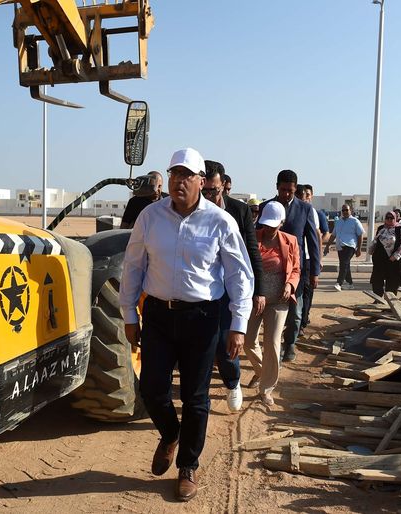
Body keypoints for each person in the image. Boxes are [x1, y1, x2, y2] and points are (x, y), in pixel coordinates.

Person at [119, 148, 254, 501]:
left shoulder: (220, 221)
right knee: (151, 388)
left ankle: (188, 467)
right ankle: (170, 434)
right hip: (159, 315)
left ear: (201, 182)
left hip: (203, 319)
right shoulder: (150, 216)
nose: (178, 181)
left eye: (186, 175)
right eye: (174, 174)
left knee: (196, 397)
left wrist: (238, 324)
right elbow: (133, 266)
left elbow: (240, 275)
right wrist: (130, 315)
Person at [202, 160, 264, 412]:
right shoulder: (188, 210)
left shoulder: (238, 211)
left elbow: (251, 250)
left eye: (214, 191)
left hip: (230, 289)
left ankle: (232, 382)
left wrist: (258, 290)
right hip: (201, 288)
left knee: (227, 341)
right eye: (204, 191)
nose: (209, 196)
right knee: (203, 341)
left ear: (224, 186)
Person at [258, 170, 320, 363]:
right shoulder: (265, 207)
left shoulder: (305, 209)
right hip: (268, 272)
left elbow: (312, 241)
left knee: (295, 313)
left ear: (295, 189)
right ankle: (270, 350)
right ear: (276, 186)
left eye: (290, 191)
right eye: (283, 189)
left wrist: (315, 271)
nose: (286, 194)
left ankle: (290, 343)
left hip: (295, 271)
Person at [243, 201, 300, 406]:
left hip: (279, 301)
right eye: (266, 224)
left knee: (273, 344)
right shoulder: (252, 238)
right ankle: (262, 371)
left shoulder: (290, 241)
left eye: (274, 225)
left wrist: (290, 285)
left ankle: (266, 388)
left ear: (281, 223)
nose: (269, 229)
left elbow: (296, 270)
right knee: (248, 342)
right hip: (254, 299)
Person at [297, 184, 329, 331]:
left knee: (307, 293)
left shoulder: (312, 212)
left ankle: (302, 321)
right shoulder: (290, 210)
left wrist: (319, 260)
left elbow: (318, 236)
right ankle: (297, 321)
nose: (305, 199)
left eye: (307, 195)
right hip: (294, 259)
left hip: (308, 258)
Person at [369, 211, 401, 296]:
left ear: (395, 219)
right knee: (377, 280)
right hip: (380, 259)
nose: (389, 220)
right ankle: (378, 299)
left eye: (392, 218)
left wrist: (395, 256)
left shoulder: (399, 229)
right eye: (387, 218)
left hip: (393, 260)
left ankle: (390, 301)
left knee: (392, 281)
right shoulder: (381, 228)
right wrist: (371, 250)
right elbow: (376, 240)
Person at [324, 204, 363, 291]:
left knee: (343, 264)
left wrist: (359, 249)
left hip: (350, 246)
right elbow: (333, 235)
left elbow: (360, 235)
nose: (345, 212)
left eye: (346, 210)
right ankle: (350, 283)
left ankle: (339, 283)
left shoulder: (355, 221)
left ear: (350, 211)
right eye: (343, 210)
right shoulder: (339, 221)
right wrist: (327, 246)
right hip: (340, 246)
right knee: (346, 265)